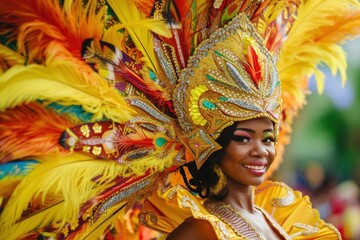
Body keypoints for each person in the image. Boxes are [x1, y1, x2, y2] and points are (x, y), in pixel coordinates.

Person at [0, 0, 359, 239]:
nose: (261, 151)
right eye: (244, 138)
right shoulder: (200, 230)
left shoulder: (280, 216)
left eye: (267, 138)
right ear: (212, 144)